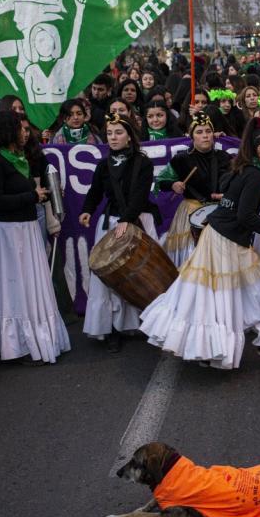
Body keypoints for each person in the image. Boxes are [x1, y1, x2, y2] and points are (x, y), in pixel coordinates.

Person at [140, 126, 260, 368]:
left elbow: (230, 195)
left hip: (218, 235)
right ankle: (245, 345)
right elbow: (246, 215)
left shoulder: (242, 167)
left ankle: (217, 349)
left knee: (213, 297)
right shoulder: (254, 175)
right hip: (226, 241)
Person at [0, 111, 70, 364]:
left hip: (28, 229)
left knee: (30, 285)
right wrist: (32, 195)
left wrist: (38, 194)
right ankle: (17, 345)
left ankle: (34, 339)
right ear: (7, 131)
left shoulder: (21, 159)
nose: (25, 133)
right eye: (20, 129)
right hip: (10, 233)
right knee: (14, 287)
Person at [78, 114, 161, 353]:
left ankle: (147, 322)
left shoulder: (142, 163)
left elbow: (140, 194)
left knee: (140, 276)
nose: (113, 138)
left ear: (129, 136)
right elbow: (95, 192)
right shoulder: (103, 165)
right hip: (110, 223)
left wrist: (127, 219)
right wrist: (87, 211)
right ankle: (113, 328)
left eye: (118, 133)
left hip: (136, 221)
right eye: (110, 133)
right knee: (108, 278)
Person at [156, 112, 231, 267]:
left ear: (213, 135)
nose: (205, 136)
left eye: (208, 131)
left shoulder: (224, 157)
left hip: (220, 210)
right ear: (192, 137)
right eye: (199, 132)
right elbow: (160, 181)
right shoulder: (182, 159)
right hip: (192, 210)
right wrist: (173, 185)